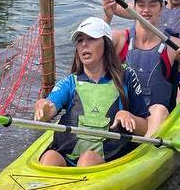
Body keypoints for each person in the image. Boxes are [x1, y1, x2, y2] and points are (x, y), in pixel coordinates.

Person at [33, 17, 150, 167]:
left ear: (106, 44)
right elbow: (49, 109)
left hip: (107, 160)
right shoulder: (70, 82)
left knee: (87, 159)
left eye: (91, 39)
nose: (84, 44)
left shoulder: (126, 77)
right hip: (68, 155)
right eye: (80, 40)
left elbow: (144, 129)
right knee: (49, 157)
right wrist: (42, 107)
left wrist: (127, 116)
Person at [103, 0, 180, 136]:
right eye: (141, 5)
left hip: (153, 119)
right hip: (122, 113)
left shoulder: (173, 45)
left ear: (161, 9)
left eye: (152, 5)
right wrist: (107, 18)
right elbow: (93, 50)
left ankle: (149, 150)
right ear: (134, 8)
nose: (146, 10)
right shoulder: (120, 38)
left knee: (159, 110)